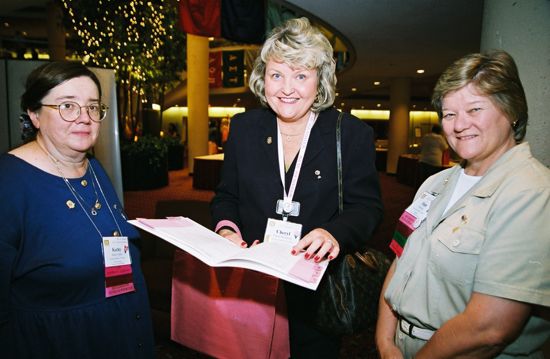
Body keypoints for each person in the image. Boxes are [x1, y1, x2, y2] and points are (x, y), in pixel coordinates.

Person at [211, 17, 383, 358]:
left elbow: (368, 208)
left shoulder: (349, 134)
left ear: (319, 81)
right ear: (263, 79)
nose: (287, 88)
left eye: (301, 75)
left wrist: (334, 233)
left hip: (315, 290)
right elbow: (226, 196)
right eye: (277, 75)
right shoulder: (244, 129)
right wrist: (227, 229)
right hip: (252, 283)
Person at [376, 50, 550, 358]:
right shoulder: (435, 183)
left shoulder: (532, 192)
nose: (458, 125)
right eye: (449, 114)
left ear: (511, 111)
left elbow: (490, 328)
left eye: (474, 109)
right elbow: (400, 261)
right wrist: (385, 341)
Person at [0, 61, 154, 358]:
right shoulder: (9, 182)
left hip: (119, 333)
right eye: (67, 106)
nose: (84, 118)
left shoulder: (92, 168)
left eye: (92, 107)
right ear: (34, 115)